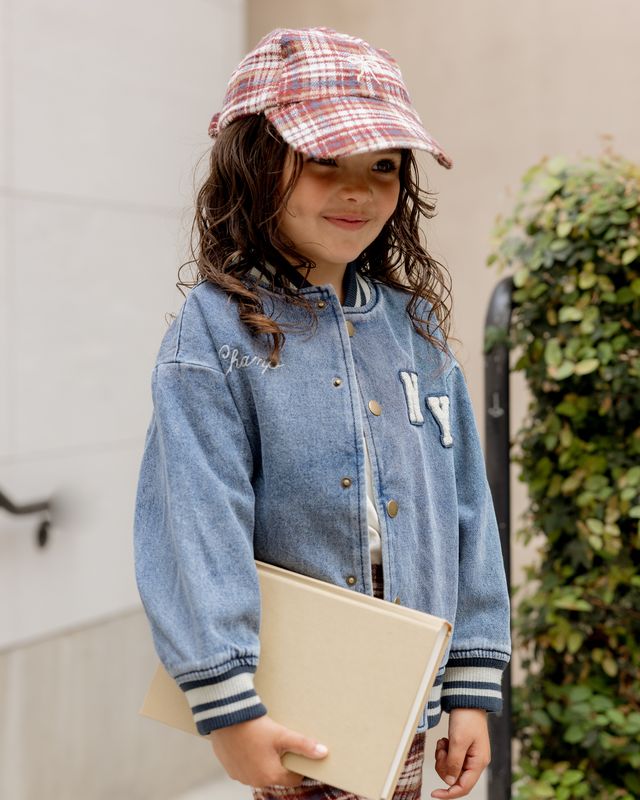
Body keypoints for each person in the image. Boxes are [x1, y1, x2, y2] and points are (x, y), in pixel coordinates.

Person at [133, 26, 511, 800]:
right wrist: (229, 707)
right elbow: (196, 520)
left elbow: (467, 505)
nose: (359, 191)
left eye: (384, 166)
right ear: (255, 164)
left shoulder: (415, 330)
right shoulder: (216, 332)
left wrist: (472, 683)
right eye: (325, 160)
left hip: (410, 706)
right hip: (295, 707)